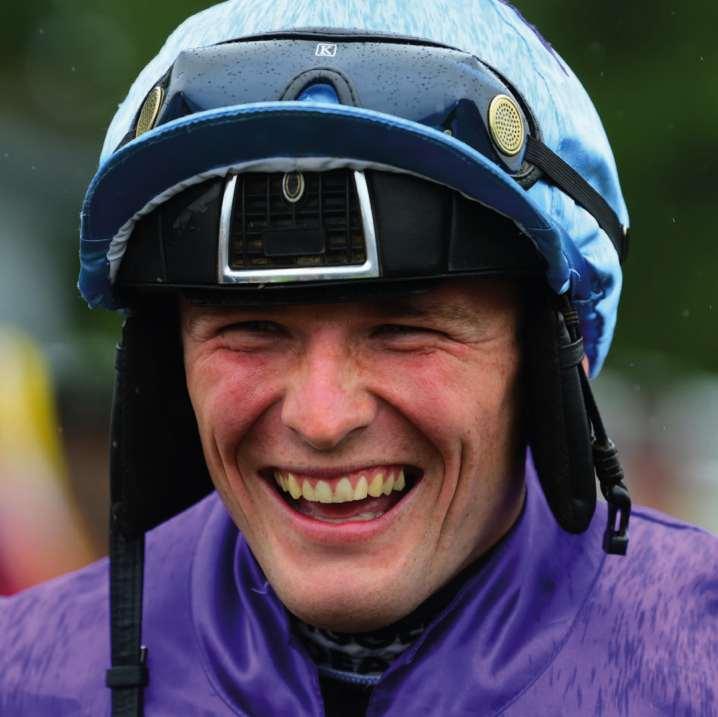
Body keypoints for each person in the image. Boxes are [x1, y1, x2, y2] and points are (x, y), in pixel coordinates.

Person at [1, 1, 715, 715]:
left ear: (555, 355)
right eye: (253, 328)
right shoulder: (21, 680)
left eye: (403, 329)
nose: (322, 419)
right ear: (169, 358)